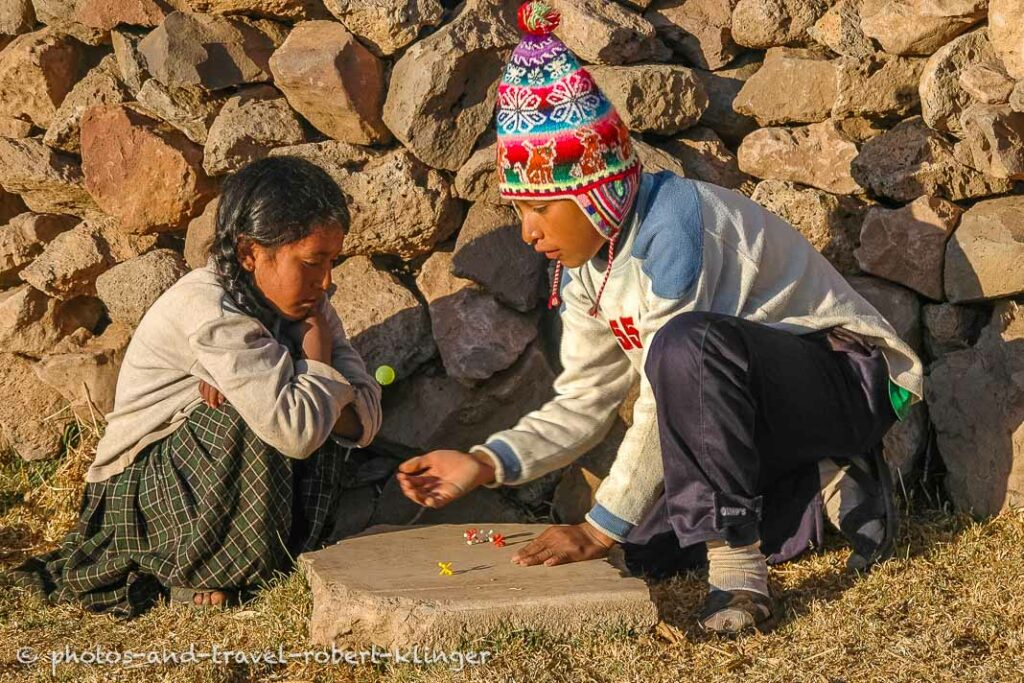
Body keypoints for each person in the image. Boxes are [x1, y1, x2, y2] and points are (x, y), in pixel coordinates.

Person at [396, 1, 923, 634]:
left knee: (682, 350)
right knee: (643, 549)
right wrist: (484, 462)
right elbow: (585, 397)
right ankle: (816, 488)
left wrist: (596, 526)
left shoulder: (674, 230)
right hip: (746, 413)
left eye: (543, 209)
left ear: (596, 189)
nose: (529, 232)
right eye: (520, 212)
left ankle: (739, 580)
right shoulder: (591, 261)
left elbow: (669, 382)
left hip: (842, 379)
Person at [12, 156, 381, 617]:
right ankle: (196, 566)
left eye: (331, 262)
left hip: (212, 492)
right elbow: (298, 431)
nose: (325, 281)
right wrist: (318, 363)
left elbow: (366, 417)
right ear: (250, 253)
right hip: (145, 498)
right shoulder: (208, 306)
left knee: (295, 405)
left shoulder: (311, 307)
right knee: (253, 412)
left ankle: (254, 561)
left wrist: (308, 379)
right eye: (311, 262)